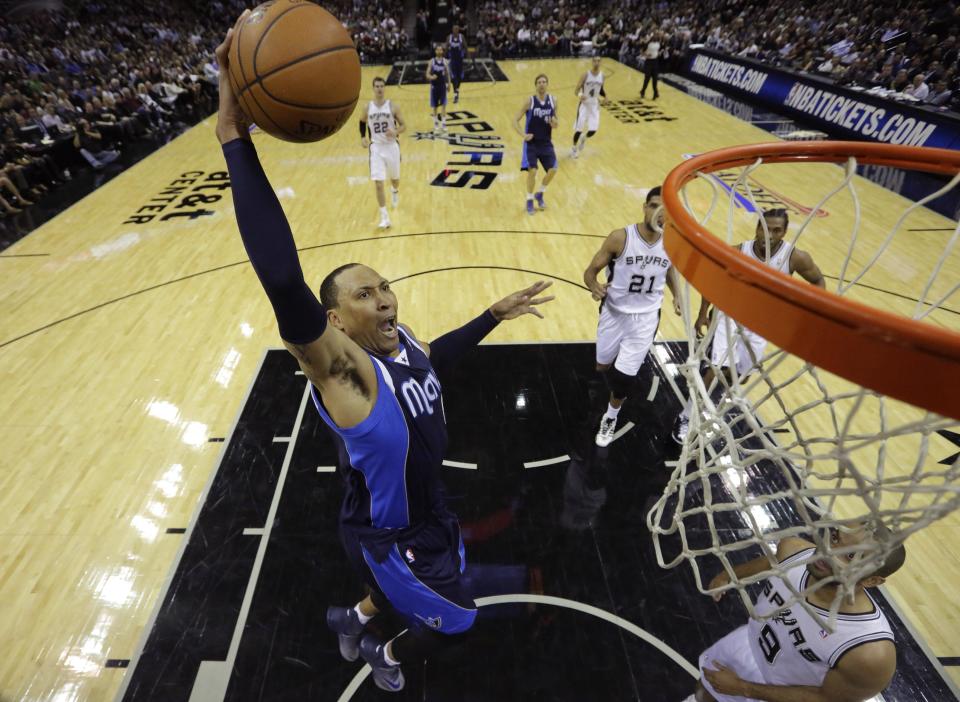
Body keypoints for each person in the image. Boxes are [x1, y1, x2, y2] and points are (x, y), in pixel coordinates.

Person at [213, 12, 555, 693]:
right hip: (392, 537)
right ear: (336, 321)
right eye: (367, 295)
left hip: (429, 514)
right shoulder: (349, 374)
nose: (388, 299)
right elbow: (283, 279)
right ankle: (385, 653)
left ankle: (353, 615)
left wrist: (492, 313)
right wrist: (233, 137)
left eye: (387, 287)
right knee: (455, 622)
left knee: (437, 572)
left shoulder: (403, 347)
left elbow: (439, 361)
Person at [686, 526, 904, 702]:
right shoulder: (794, 550)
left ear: (872, 580)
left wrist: (743, 689)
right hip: (749, 644)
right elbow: (770, 563)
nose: (828, 550)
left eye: (850, 556)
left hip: (785, 694)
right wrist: (727, 576)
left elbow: (827, 699)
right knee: (703, 693)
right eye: (835, 538)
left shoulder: (869, 653)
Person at [673, 209, 825, 443]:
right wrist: (703, 313)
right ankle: (687, 415)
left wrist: (812, 313)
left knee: (741, 375)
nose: (769, 235)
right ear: (756, 229)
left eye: (776, 230)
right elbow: (713, 281)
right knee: (718, 367)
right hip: (729, 315)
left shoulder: (796, 258)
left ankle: (711, 389)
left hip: (762, 322)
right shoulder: (737, 252)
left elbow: (817, 280)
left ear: (784, 233)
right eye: (764, 229)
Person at [583, 187, 681, 447]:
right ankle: (612, 378)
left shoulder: (672, 242)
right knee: (602, 365)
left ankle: (611, 416)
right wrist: (594, 286)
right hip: (613, 313)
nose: (658, 213)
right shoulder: (620, 238)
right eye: (653, 206)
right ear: (644, 207)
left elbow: (670, 271)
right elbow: (590, 271)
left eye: (665, 210)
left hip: (646, 319)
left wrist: (677, 295)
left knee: (624, 377)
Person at [360, 76, 405, 230]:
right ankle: (384, 217)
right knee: (378, 183)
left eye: (381, 86)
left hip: (392, 146)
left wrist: (396, 131)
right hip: (377, 148)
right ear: (373, 88)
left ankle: (395, 190)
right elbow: (361, 121)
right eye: (377, 86)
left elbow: (404, 125)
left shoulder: (392, 106)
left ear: (384, 88)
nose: (379, 89)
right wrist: (363, 137)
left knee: (395, 179)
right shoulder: (367, 107)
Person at [514, 73, 559, 216]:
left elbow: (555, 122)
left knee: (553, 169)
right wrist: (523, 135)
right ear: (536, 85)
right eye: (539, 82)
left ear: (547, 84)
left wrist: (555, 123)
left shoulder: (553, 100)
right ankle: (529, 200)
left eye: (544, 81)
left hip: (546, 142)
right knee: (532, 171)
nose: (542, 84)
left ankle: (540, 193)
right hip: (532, 143)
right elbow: (515, 120)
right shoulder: (530, 101)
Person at [571, 55, 607, 159]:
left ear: (601, 63)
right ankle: (574, 148)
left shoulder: (602, 76)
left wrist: (606, 96)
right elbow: (576, 90)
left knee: (593, 130)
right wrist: (580, 95)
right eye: (595, 61)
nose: (597, 63)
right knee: (579, 129)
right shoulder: (585, 75)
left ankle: (584, 138)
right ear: (592, 62)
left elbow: (601, 89)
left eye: (599, 61)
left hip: (595, 105)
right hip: (584, 104)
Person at [426, 44, 451, 132]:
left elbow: (448, 74)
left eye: (441, 50)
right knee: (435, 106)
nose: (439, 51)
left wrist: (449, 84)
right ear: (435, 51)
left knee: (444, 105)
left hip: (442, 86)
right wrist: (431, 77)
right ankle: (436, 123)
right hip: (434, 86)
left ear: (442, 51)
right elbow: (427, 74)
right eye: (438, 50)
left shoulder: (445, 61)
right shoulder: (431, 61)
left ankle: (443, 124)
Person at [447, 25, 467, 104]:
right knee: (453, 78)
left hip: (460, 60)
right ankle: (456, 94)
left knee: (460, 77)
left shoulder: (462, 37)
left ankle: (457, 90)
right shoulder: (449, 37)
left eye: (457, 29)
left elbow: (465, 46)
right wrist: (443, 58)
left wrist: (468, 56)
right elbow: (446, 48)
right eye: (454, 29)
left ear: (459, 30)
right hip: (452, 61)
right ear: (452, 30)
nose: (455, 30)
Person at [641, 32, 662, 99]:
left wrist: (659, 53)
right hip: (648, 62)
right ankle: (643, 91)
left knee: (655, 79)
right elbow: (641, 52)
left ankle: (655, 93)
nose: (656, 37)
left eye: (657, 36)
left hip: (655, 62)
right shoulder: (648, 44)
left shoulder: (658, 44)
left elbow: (658, 50)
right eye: (655, 36)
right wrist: (646, 55)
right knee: (647, 78)